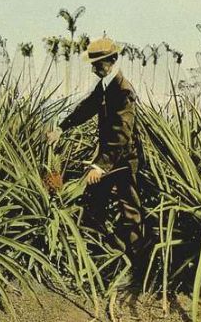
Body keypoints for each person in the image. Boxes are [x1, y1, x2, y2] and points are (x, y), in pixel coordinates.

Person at [46, 36, 147, 277]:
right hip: (109, 160)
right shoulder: (105, 86)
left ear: (112, 60)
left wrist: (100, 167)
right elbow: (87, 107)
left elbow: (121, 134)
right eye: (93, 63)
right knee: (94, 204)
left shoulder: (123, 91)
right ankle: (103, 259)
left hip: (123, 161)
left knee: (130, 211)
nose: (94, 68)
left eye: (98, 63)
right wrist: (62, 127)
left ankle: (142, 271)